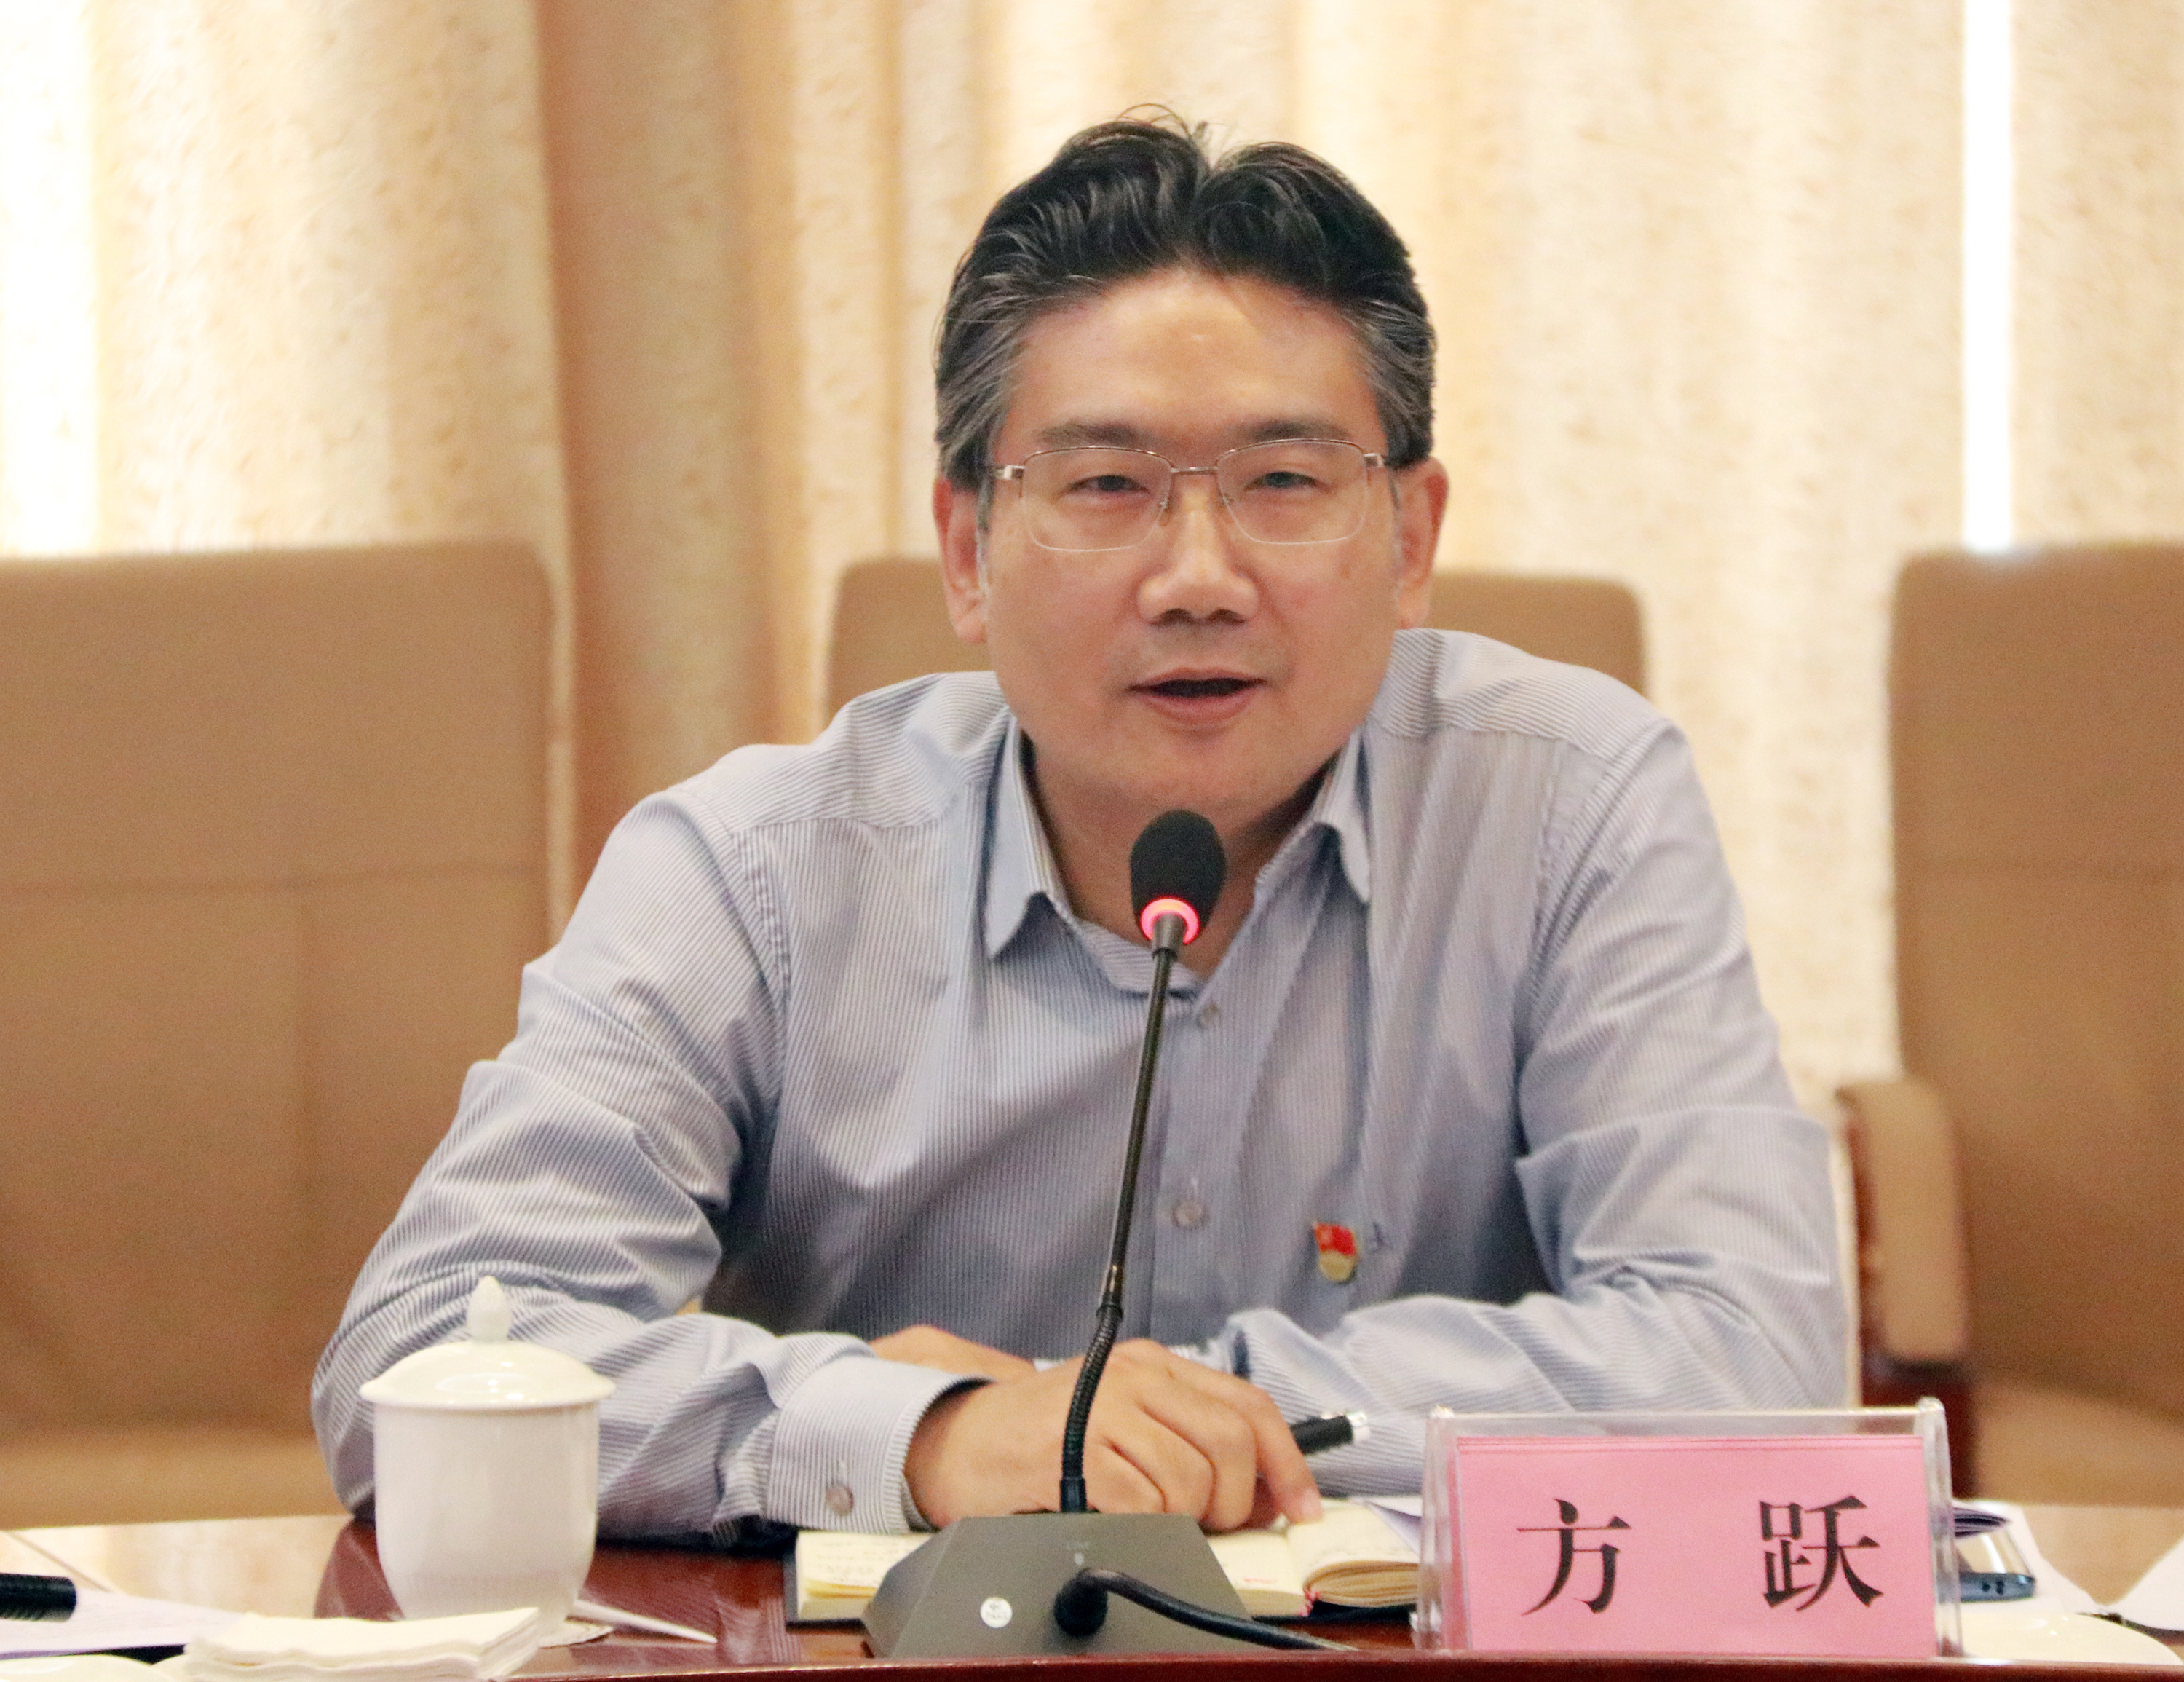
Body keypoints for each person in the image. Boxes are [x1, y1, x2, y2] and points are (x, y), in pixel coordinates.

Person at [312, 116, 1845, 1544]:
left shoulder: (1569, 806)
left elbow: (1752, 1350)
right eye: (1107, 484)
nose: (1199, 577)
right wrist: (927, 1436)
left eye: (1285, 480)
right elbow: (423, 1360)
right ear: (967, 551)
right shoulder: (756, 872)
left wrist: (1169, 1417)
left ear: (1411, 537)